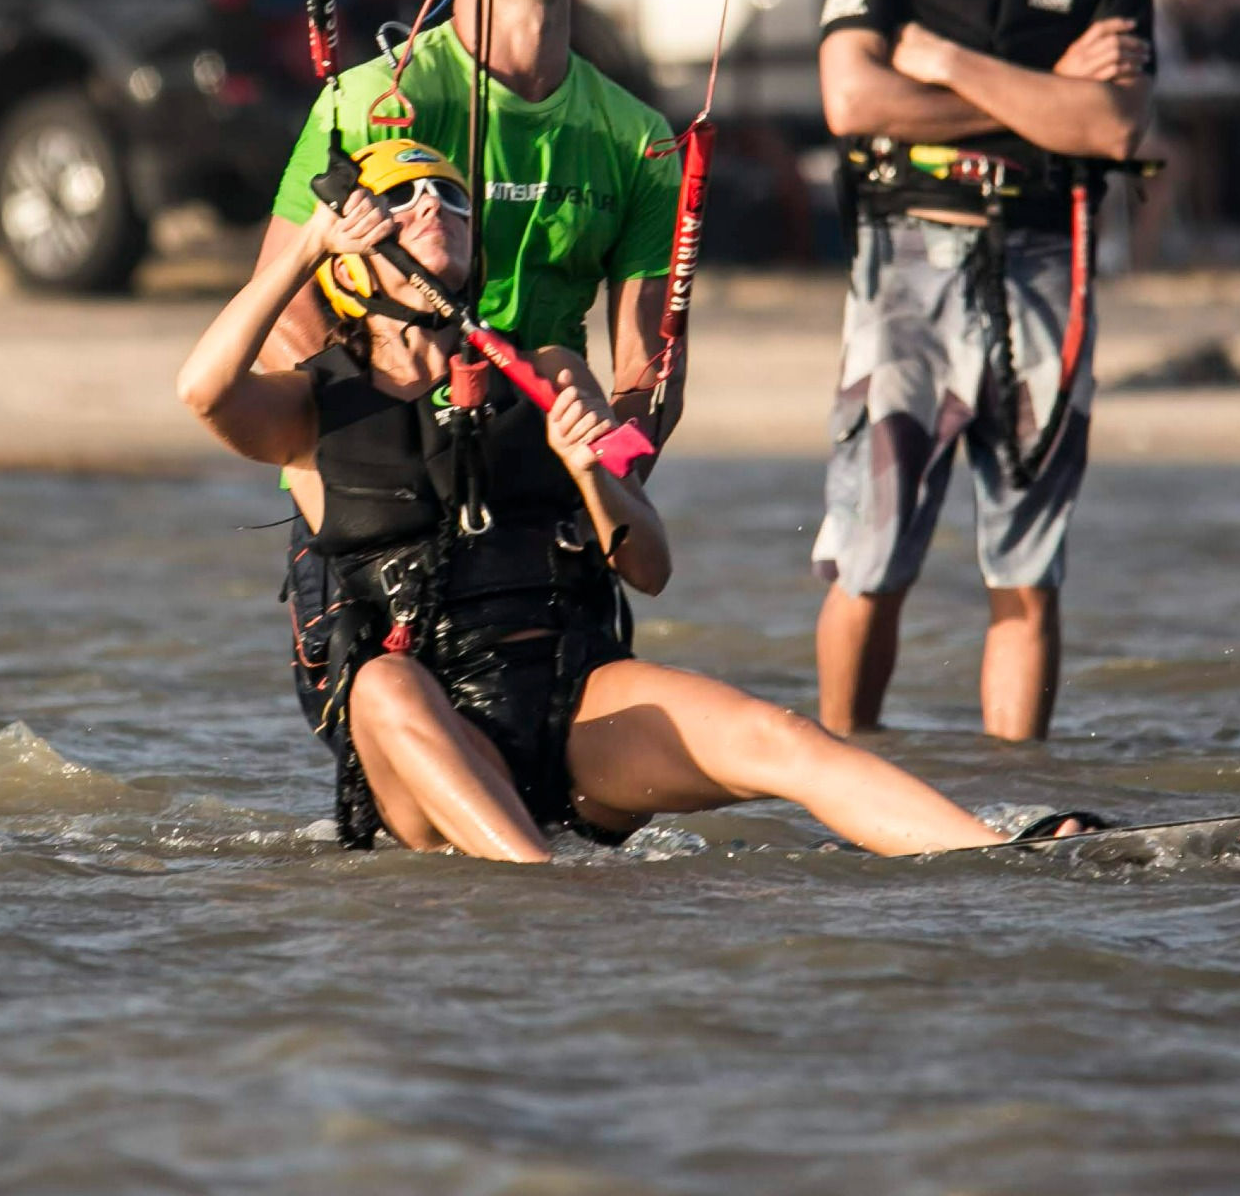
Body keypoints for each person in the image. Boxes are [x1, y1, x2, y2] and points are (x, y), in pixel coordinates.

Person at [178, 137, 1088, 860]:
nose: (433, 207)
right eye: (406, 197)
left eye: (451, 197)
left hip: (574, 703)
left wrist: (590, 470)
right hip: (422, 742)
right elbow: (202, 389)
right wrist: (307, 244)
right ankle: (538, 890)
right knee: (380, 684)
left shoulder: (545, 373)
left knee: (780, 736)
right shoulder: (309, 407)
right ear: (353, 253)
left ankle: (998, 853)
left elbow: (648, 567)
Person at [249, 0, 683, 720]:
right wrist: (351, 487)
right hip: (381, 480)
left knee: (559, 755)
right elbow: (284, 315)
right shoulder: (374, 99)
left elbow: (648, 366)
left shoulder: (637, 138)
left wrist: (609, 479)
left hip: (538, 477)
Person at [814, 0, 1155, 742]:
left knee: (1026, 565)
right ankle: (842, 774)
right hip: (905, 253)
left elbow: (1113, 127)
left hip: (1047, 254)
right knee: (872, 554)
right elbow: (851, 101)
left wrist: (947, 62)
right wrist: (1047, 95)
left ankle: (1020, 796)